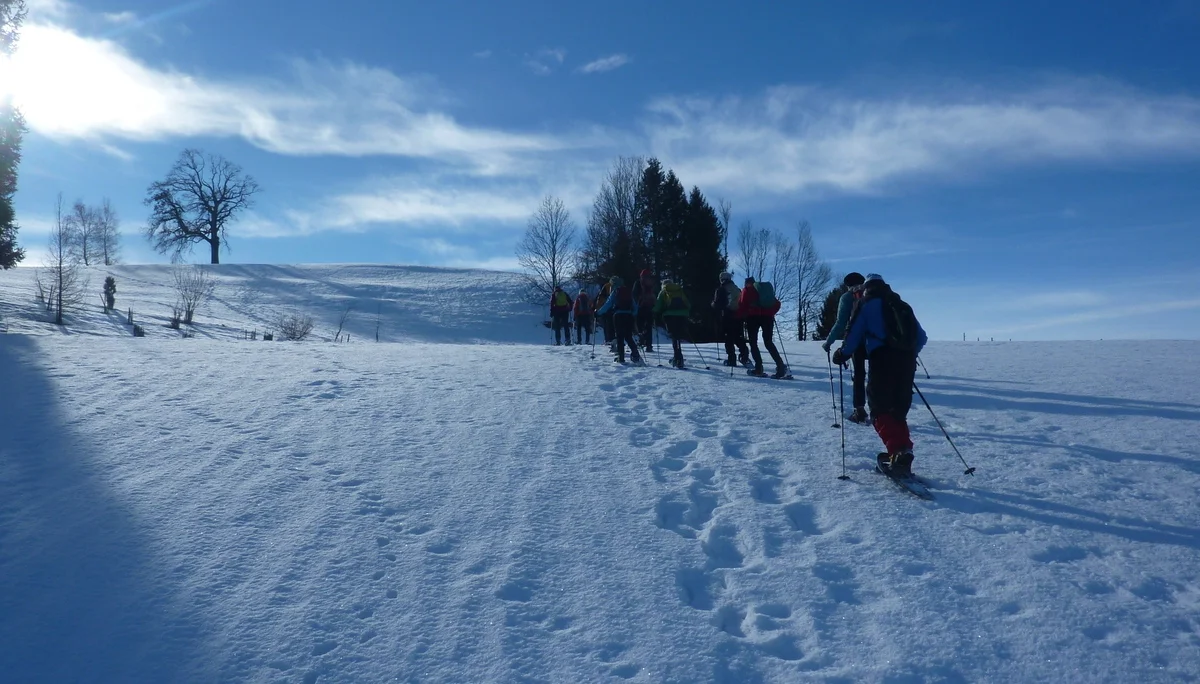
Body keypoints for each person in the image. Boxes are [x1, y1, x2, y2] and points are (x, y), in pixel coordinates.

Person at [833, 273, 928, 477]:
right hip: (907, 362)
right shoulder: (900, 304)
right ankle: (903, 450)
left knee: (879, 409)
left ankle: (897, 452)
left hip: (882, 360)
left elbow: (854, 333)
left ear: (866, 287)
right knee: (898, 410)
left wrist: (842, 354)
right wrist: (908, 354)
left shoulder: (866, 304)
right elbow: (921, 337)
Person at [822, 272, 869, 423]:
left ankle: (860, 410)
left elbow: (840, 323)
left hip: (857, 341)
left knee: (859, 375)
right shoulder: (875, 295)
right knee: (878, 375)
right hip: (879, 341)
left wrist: (828, 342)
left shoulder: (847, 297)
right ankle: (882, 410)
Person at [737, 277, 787, 378]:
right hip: (767, 317)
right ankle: (780, 365)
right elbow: (777, 304)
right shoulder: (763, 291)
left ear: (747, 283)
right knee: (768, 342)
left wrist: (740, 317)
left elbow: (741, 305)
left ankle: (758, 368)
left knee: (753, 343)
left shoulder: (746, 291)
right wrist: (771, 313)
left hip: (753, 318)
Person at [595, 276, 643, 364]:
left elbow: (607, 304)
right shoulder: (628, 292)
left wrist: (598, 313)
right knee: (628, 336)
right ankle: (635, 354)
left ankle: (621, 358)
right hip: (628, 315)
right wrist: (632, 314)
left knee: (620, 337)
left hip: (618, 315)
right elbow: (635, 307)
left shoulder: (615, 292)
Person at [712, 272, 750, 367]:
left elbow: (717, 304)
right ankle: (744, 357)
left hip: (727, 316)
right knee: (739, 338)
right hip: (739, 316)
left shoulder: (721, 289)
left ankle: (731, 359)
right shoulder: (737, 289)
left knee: (729, 339)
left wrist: (713, 304)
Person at [653, 279, 691, 367]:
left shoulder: (664, 291)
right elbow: (688, 304)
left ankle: (678, 359)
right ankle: (678, 357)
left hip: (670, 316)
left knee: (675, 336)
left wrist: (654, 313)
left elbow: (658, 305)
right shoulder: (679, 290)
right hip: (682, 315)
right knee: (678, 336)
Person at [632, 269, 657, 353]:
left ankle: (641, 342)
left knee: (640, 326)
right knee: (649, 327)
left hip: (641, 307)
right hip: (650, 308)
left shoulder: (638, 282)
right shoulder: (651, 283)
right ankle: (649, 345)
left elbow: (634, 294)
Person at [593, 281, 614, 347]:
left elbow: (600, 299)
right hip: (619, 310)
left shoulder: (606, 287)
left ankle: (608, 340)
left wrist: (597, 311)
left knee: (606, 325)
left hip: (607, 310)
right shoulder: (621, 288)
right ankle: (616, 341)